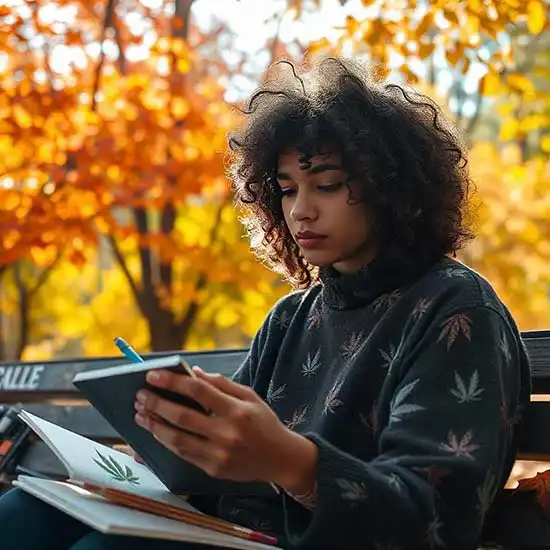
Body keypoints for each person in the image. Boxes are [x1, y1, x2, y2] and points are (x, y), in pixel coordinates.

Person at [0, 56, 531, 550]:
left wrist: (294, 463)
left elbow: (438, 516)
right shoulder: (292, 315)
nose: (301, 211)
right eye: (286, 189)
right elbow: (228, 464)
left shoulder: (455, 309)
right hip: (223, 528)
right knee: (29, 508)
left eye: (326, 184)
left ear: (396, 189)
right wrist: (176, 447)